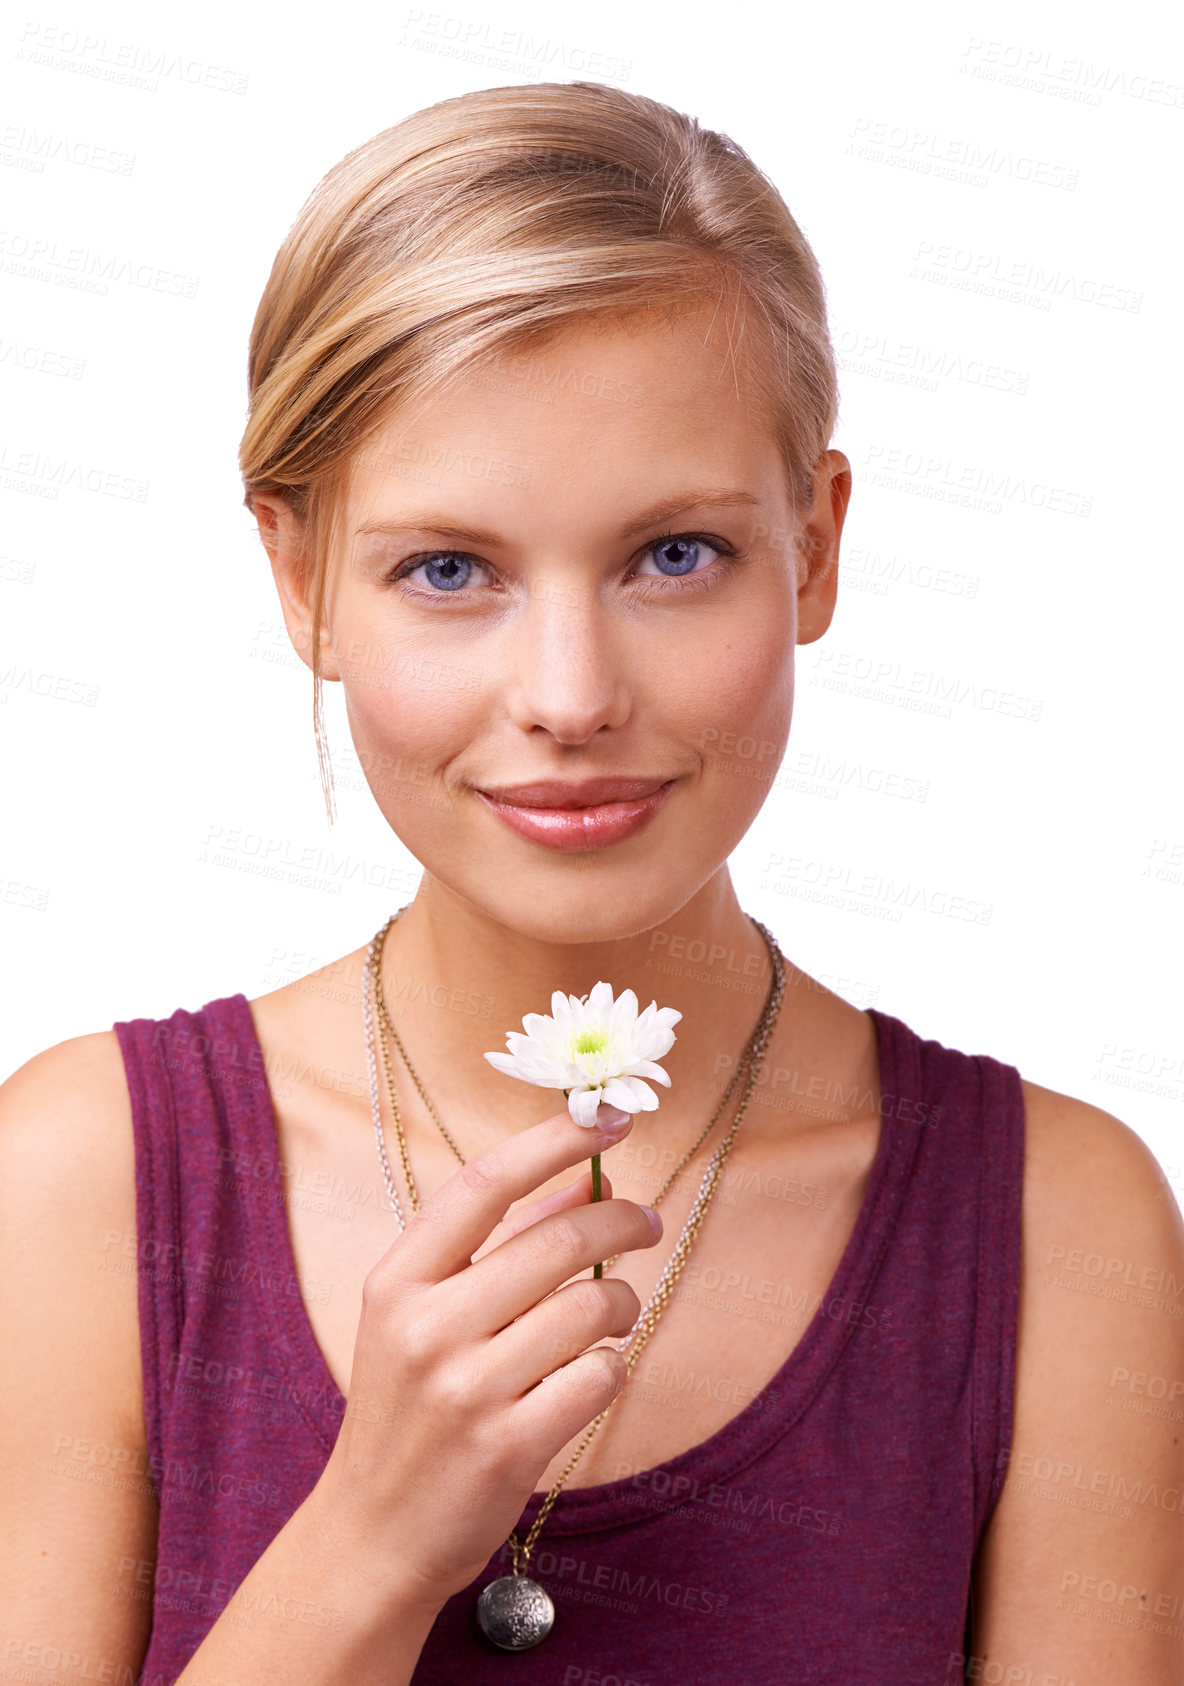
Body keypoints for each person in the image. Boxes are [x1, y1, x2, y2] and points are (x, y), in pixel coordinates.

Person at [2, 80, 1181, 1686]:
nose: (569, 692)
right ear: (300, 578)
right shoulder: (82, 1182)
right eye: (450, 570)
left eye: (673, 555)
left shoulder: (1061, 1225)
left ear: (817, 550)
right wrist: (367, 1541)